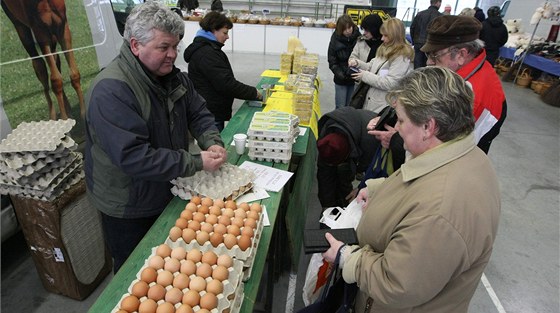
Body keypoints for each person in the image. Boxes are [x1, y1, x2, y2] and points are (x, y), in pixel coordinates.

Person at [322, 66, 501, 313]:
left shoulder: (440, 213)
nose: (396, 128)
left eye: (402, 120)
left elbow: (397, 283)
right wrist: (379, 189)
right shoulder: (459, 154)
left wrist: (347, 258)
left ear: (429, 126)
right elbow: (419, 185)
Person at [85, 2, 227, 273]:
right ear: (136, 45)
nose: (173, 55)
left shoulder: (175, 79)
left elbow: (198, 113)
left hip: (166, 185)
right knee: (134, 272)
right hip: (128, 202)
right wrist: (196, 162)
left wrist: (212, 141)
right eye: (164, 47)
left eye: (176, 46)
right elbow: (134, 157)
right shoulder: (112, 91)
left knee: (166, 264)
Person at [422, 15, 507, 153]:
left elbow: (442, 149)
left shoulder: (470, 98)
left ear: (461, 55)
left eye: (435, 55)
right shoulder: (469, 67)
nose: (429, 62)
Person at [184, 12, 261, 131]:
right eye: (225, 33)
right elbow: (226, 84)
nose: (227, 37)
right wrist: (254, 93)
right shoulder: (208, 54)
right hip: (210, 113)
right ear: (213, 30)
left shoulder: (208, 49)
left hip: (211, 109)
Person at [316, 107, 378, 209]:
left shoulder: (371, 139)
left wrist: (362, 188)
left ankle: (346, 205)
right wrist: (326, 206)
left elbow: (374, 171)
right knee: (331, 177)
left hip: (368, 142)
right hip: (352, 140)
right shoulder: (327, 141)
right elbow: (324, 174)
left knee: (347, 178)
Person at [348, 18, 413, 113]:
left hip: (383, 105)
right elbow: (371, 66)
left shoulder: (402, 57)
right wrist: (358, 63)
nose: (382, 39)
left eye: (386, 36)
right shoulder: (384, 48)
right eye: (382, 35)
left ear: (395, 36)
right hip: (372, 101)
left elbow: (391, 83)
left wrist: (364, 76)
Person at [328, 15, 361, 109]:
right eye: (344, 29)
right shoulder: (335, 39)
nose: (348, 31)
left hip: (355, 78)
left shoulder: (359, 38)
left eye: (349, 27)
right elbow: (332, 60)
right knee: (340, 106)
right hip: (340, 79)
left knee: (352, 106)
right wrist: (341, 75)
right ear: (340, 29)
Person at [410, 0, 442, 68]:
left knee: (417, 67)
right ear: (438, 3)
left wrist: (414, 41)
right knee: (428, 67)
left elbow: (412, 28)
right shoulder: (440, 17)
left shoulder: (420, 14)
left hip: (418, 44)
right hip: (431, 46)